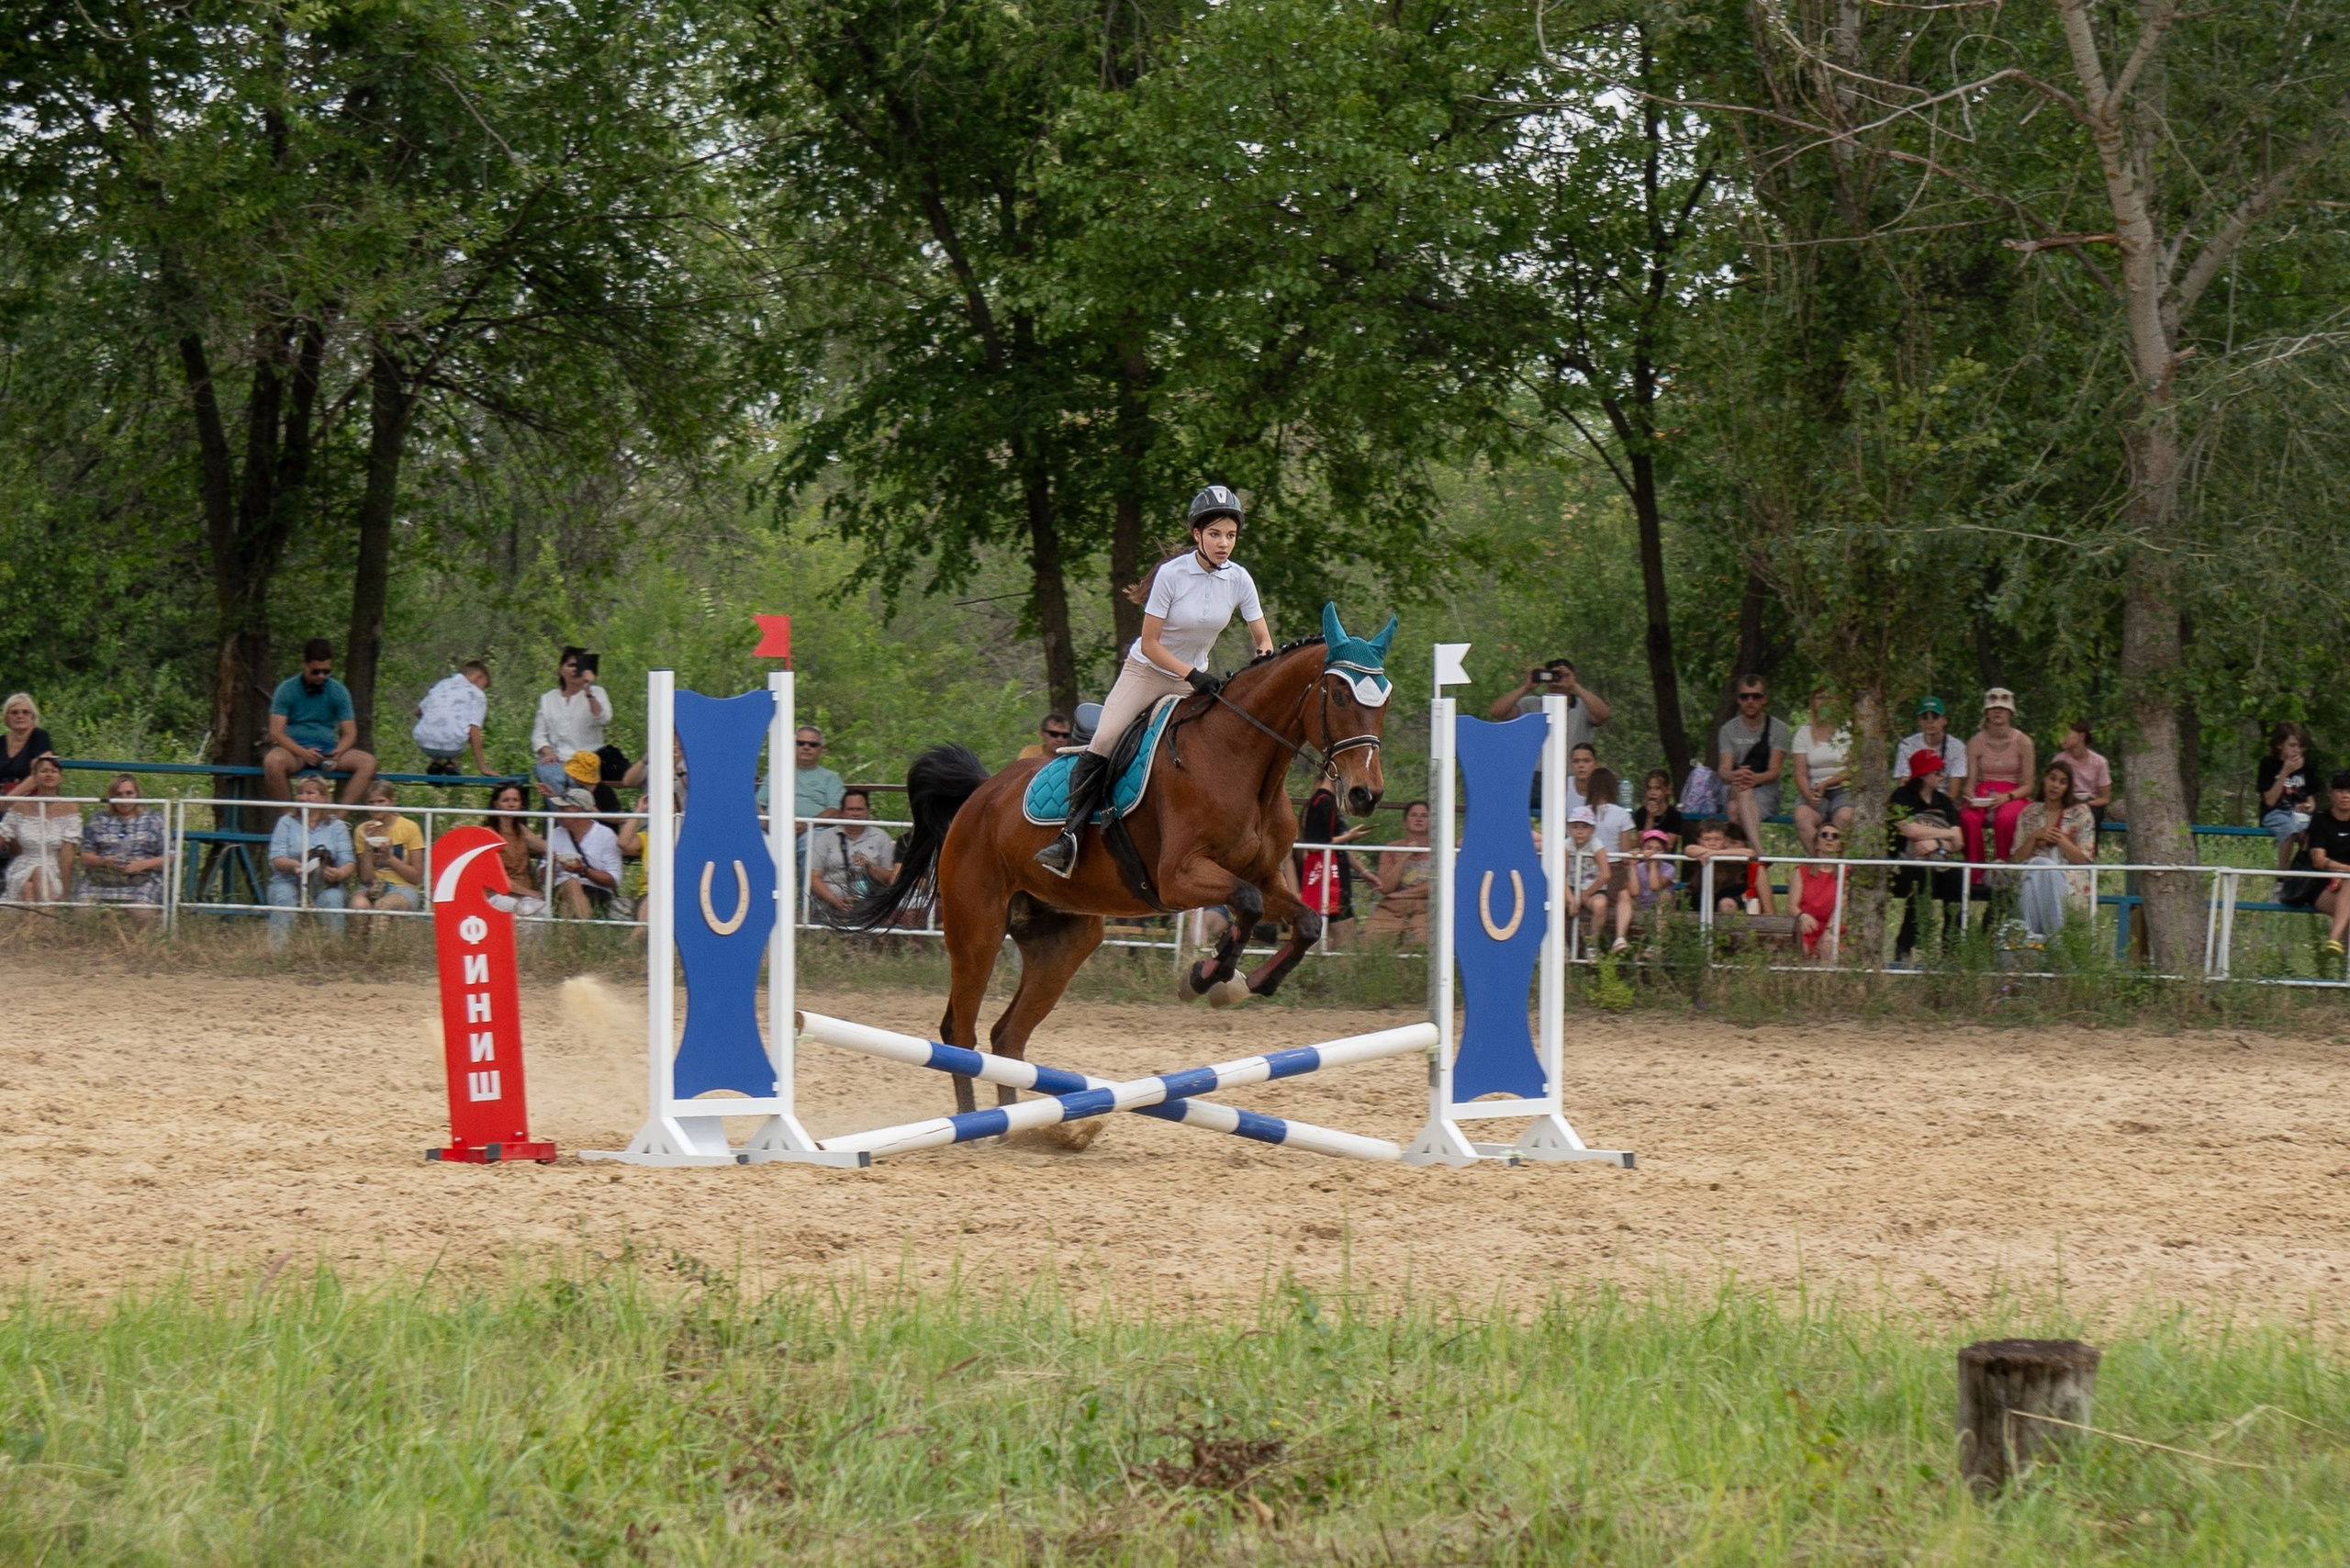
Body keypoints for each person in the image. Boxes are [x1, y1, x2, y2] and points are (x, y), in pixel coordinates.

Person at [1038, 484, 1273, 876]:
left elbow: (1262, 637)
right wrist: (1193, 675)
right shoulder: (1171, 575)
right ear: (1196, 534)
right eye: (1215, 534)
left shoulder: (1240, 579)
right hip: (1147, 673)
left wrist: (1263, 660)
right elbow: (1149, 644)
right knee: (1106, 739)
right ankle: (1069, 837)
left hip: (1192, 682)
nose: (1224, 543)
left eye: (1230, 535)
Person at [263, 639, 377, 805]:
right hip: (294, 751)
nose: (321, 676)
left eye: (326, 671)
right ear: (304, 664)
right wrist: (303, 752)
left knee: (368, 762)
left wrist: (337, 752)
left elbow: (350, 732)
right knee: (273, 761)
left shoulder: (338, 691)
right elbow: (276, 732)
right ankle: (289, 817)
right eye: (315, 672)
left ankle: (338, 818)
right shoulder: (286, 690)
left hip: (327, 750)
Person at [2003, 760, 2096, 943]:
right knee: (2036, 871)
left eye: (2062, 782)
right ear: (2044, 780)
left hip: (2069, 879)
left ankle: (2029, 942)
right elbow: (2016, 859)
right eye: (2052, 779)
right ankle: (2056, 942)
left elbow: (2084, 860)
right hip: (2029, 874)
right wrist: (2034, 837)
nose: (2055, 785)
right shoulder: (2028, 813)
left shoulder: (2081, 812)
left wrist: (2060, 839)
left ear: (2068, 787)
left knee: (2041, 869)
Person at [1888, 748, 1964, 963]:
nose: (1942, 775)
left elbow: (1959, 842)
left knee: (1957, 879)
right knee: (1921, 877)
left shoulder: (1945, 802)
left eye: (1943, 770)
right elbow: (1910, 831)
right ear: (1922, 774)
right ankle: (1904, 947)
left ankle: (1951, 949)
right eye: (1937, 771)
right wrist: (1947, 833)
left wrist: (1937, 842)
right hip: (1904, 865)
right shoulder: (1901, 796)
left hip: (1940, 861)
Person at [265, 772, 353, 943]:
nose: (303, 798)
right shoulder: (286, 822)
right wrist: (294, 865)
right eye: (300, 793)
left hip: (325, 883)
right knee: (285, 897)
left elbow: (348, 861)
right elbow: (276, 858)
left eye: (310, 793)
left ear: (323, 797)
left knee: (333, 899)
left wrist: (338, 874)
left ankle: (333, 951)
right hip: (288, 880)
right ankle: (277, 954)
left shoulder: (337, 826)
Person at [1961, 688, 2036, 880]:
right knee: (1969, 818)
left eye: (2002, 708)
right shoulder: (1975, 742)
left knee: (2006, 819)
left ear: (2011, 713)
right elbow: (1970, 783)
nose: (1997, 712)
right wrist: (1971, 798)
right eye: (1993, 708)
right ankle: (1975, 872)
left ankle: (2005, 870)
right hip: (1983, 791)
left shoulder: (2024, 742)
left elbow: (2028, 785)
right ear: (1986, 712)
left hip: (2013, 792)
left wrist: (2007, 797)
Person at [1715, 674, 1789, 853]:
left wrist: (1754, 778)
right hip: (1734, 785)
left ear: (1764, 699)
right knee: (1742, 789)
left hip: (1765, 788)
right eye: (1744, 696)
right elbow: (1724, 770)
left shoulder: (1779, 729)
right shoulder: (1727, 730)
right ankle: (1759, 853)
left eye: (1756, 696)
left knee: (1734, 810)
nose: (1750, 701)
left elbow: (1774, 771)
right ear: (1738, 700)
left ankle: (1741, 862)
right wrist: (1737, 775)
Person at [77, 773, 167, 918]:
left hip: (142, 877)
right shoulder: (99, 819)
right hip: (103, 876)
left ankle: (139, 940)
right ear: (111, 797)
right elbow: (85, 856)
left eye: (129, 793)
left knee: (141, 913)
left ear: (137, 794)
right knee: (83, 911)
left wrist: (142, 864)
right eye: (118, 794)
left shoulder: (154, 819)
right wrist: (105, 861)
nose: (124, 799)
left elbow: (170, 856)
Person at [531, 648, 613, 798]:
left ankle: (569, 815)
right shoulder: (548, 698)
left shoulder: (597, 692)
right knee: (549, 774)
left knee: (577, 779)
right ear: (561, 670)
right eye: (570, 665)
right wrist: (548, 752)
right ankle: (564, 815)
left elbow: (603, 718)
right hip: (558, 759)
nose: (575, 670)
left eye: (579, 666)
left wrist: (588, 692)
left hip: (587, 758)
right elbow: (538, 735)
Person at [1298, 780, 1371, 947]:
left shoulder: (1327, 803)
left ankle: (1320, 968)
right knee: (1344, 939)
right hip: (1330, 878)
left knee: (1330, 939)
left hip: (1334, 874)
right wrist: (1350, 836)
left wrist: (1364, 872)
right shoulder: (1323, 802)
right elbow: (1316, 843)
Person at [1, 754, 81, 904]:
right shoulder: (20, 806)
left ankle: (35, 926)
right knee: (37, 872)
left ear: (60, 777)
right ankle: (48, 925)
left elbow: (68, 851)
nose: (49, 774)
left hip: (55, 869)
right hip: (24, 866)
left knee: (29, 888)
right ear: (35, 778)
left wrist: (66, 889)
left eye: (53, 771)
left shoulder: (70, 807)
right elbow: (3, 834)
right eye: (43, 771)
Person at [350, 782, 427, 926]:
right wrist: (367, 845)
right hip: (373, 885)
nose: (376, 807)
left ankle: (379, 949)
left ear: (392, 802)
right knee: (359, 907)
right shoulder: (362, 830)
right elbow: (365, 877)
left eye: (381, 801)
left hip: (403, 887)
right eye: (371, 802)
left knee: (382, 906)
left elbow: (416, 877)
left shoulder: (410, 827)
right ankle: (359, 948)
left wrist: (390, 858)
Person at [1487, 658, 1611, 746]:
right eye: (1552, 674)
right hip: (1538, 775)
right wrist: (1526, 687)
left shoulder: (1583, 705)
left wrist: (1574, 686)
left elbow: (1603, 715)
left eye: (1561, 675)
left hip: (1572, 775)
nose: (1556, 679)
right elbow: (1497, 712)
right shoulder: (1531, 704)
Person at [810, 790, 899, 913]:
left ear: (867, 811)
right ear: (842, 812)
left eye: (860, 809)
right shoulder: (825, 837)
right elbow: (814, 878)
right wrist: (834, 900)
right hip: (831, 898)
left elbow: (889, 879)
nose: (855, 814)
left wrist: (869, 866)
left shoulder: (881, 836)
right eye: (851, 809)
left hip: (869, 898)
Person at [1789, 689, 1854, 853]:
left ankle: (1838, 870)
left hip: (1843, 787)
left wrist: (1827, 783)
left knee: (1844, 817)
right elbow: (1800, 773)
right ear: (1813, 702)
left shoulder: (1848, 730)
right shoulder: (1803, 733)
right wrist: (1808, 796)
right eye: (1819, 698)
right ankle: (1817, 866)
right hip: (1814, 789)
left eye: (1829, 698)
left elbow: (1853, 769)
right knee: (1802, 816)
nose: (1824, 702)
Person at [547, 786, 622, 918]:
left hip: (597, 892)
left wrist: (584, 871)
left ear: (579, 810)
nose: (559, 811)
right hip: (561, 889)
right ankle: (587, 931)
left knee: (566, 906)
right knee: (570, 883)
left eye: (564, 808)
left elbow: (614, 880)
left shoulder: (606, 835)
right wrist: (551, 865)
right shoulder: (555, 834)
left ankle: (578, 934)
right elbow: (543, 878)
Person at [2257, 721, 2318, 885]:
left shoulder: (2307, 769)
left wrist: (2305, 807)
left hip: (2299, 814)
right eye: (2292, 745)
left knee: (2314, 832)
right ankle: (2280, 881)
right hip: (2275, 813)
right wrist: (2285, 771)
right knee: (2289, 831)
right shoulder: (2268, 765)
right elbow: (2269, 800)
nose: (2296, 750)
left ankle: (2301, 879)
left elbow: (2311, 802)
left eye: (2299, 746)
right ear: (2279, 745)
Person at [1364, 801, 1432, 946]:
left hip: (1426, 907)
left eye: (1424, 816)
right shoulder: (1392, 848)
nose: (1419, 819)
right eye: (1413, 815)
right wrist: (1405, 856)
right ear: (1405, 822)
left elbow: (1435, 886)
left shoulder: (1441, 850)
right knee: (1370, 941)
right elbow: (1385, 887)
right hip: (1392, 906)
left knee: (1421, 944)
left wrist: (1400, 894)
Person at [413, 662, 491, 777]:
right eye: (483, 686)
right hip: (453, 748)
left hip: (424, 743)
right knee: (461, 726)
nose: (482, 690)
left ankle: (435, 763)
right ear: (478, 676)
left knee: (446, 721)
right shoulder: (477, 695)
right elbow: (474, 730)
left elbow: (417, 711)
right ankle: (452, 763)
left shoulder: (442, 685)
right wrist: (482, 767)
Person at [2305, 772, 2350, 960]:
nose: (2345, 795)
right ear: (2331, 794)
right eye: (2339, 790)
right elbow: (2319, 860)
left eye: (2349, 791)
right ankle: (2333, 940)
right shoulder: (2321, 819)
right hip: (2321, 885)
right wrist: (2346, 871)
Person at [484, 781, 547, 912]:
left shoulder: (521, 830)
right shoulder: (488, 834)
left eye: (515, 800)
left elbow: (547, 848)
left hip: (524, 894)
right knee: (521, 909)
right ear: (496, 805)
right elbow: (497, 878)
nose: (511, 804)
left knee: (544, 910)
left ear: (520, 804)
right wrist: (530, 893)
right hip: (497, 894)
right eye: (506, 800)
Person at [1562, 806, 1616, 952]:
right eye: (1575, 827)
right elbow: (1561, 874)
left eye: (1584, 827)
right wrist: (1572, 899)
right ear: (1569, 828)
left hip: (1592, 889)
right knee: (1556, 903)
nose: (1579, 831)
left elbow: (1606, 874)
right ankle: (1561, 945)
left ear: (1592, 829)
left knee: (1600, 905)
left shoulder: (1596, 844)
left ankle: (1592, 943)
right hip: (1571, 888)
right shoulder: (1566, 845)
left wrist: (1585, 895)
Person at [1792, 823, 1844, 958]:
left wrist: (1829, 931)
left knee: (1828, 944)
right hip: (1808, 926)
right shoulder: (1801, 871)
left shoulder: (1845, 873)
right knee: (1801, 944)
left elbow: (1842, 907)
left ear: (1840, 846)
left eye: (1835, 836)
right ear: (1816, 844)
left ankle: (1826, 978)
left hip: (1833, 926)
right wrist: (1801, 915)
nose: (1829, 839)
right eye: (1824, 835)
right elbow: (1791, 906)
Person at [1893, 697, 1967, 790]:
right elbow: (1903, 781)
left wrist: (1943, 804)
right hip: (1914, 796)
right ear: (1919, 721)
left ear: (1945, 720)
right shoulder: (1906, 745)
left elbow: (1954, 787)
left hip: (1943, 798)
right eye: (1925, 717)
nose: (1930, 722)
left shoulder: (1957, 747)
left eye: (1935, 717)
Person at [2058, 720, 2113, 830]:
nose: (2061, 738)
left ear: (2081, 736)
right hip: (2066, 804)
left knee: (2085, 815)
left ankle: (2087, 846)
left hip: (2091, 805)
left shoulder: (2099, 762)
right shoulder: (2059, 760)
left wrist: (2085, 804)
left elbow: (2105, 799)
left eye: (2066, 733)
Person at [1, 693, 56, 795]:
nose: (20, 716)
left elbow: (39, 776)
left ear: (32, 717)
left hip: (30, 799)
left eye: (25, 712)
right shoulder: (1, 742)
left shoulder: (40, 737)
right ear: (6, 718)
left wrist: (6, 801)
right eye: (14, 713)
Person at [1630, 768, 1685, 850]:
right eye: (1649, 788)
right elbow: (1642, 844)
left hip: (1665, 859)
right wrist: (1650, 817)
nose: (1652, 793)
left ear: (1667, 790)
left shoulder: (1674, 815)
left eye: (1657, 788)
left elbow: (1668, 846)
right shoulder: (1640, 813)